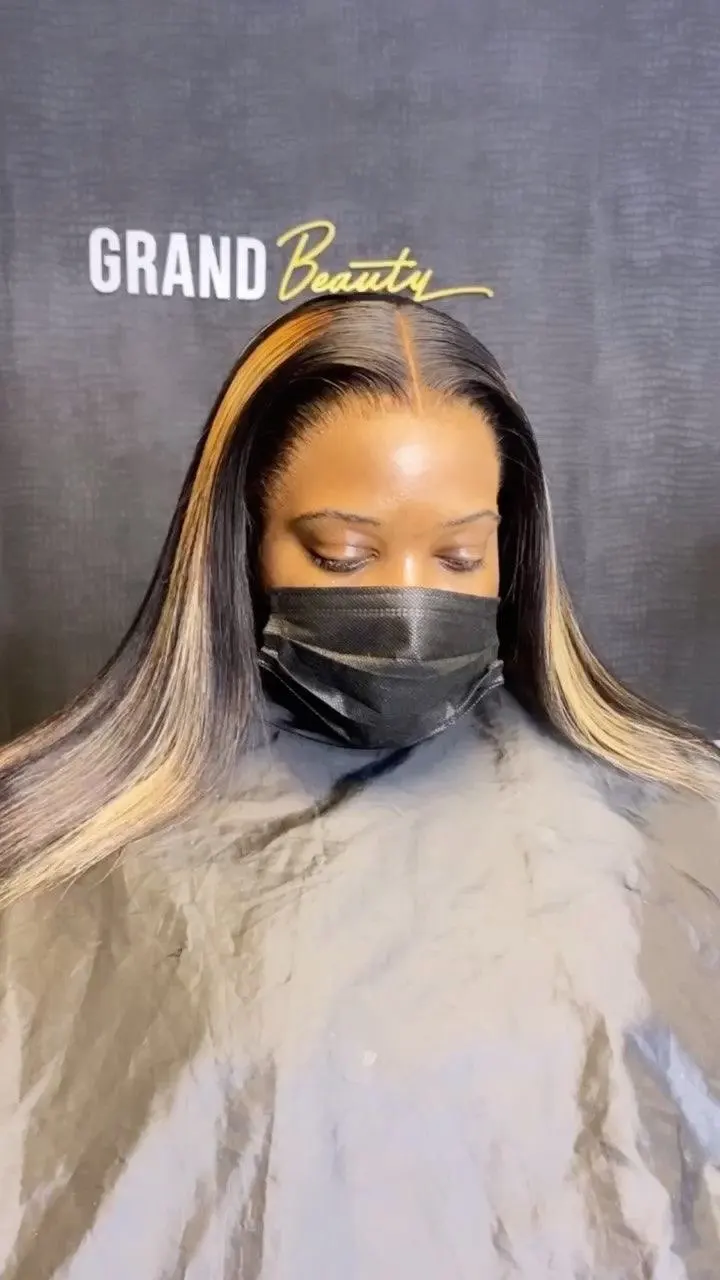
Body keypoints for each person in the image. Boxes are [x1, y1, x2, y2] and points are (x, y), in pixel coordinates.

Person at [0, 295, 718, 1280]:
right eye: (343, 554)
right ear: (246, 537)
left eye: (459, 556)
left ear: (512, 548)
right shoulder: (66, 854)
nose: (412, 602)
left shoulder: (672, 830)